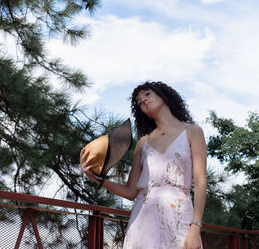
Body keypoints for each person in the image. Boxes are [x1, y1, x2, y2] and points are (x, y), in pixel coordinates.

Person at [80, 81, 207, 249]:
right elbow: (131, 191)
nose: (144, 101)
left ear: (163, 95)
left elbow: (200, 182)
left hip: (179, 217)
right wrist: (97, 179)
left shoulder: (192, 131)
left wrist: (196, 226)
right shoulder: (143, 143)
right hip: (143, 221)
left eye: (147, 94)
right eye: (139, 102)